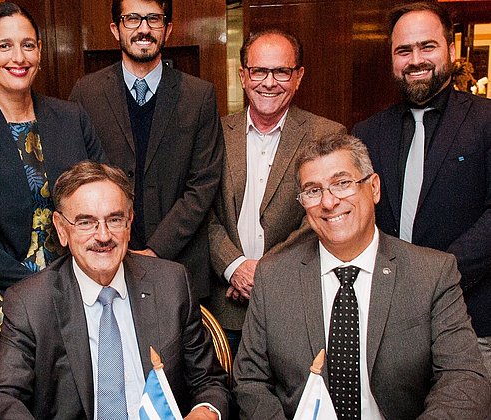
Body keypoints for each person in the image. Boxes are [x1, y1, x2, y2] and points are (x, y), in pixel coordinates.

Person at [233, 133, 490, 419]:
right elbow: (250, 382)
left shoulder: (431, 273)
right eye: (313, 190)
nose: (329, 202)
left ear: (374, 187)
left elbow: (464, 379)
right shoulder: (273, 278)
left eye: (342, 184)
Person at [0, 161, 229, 419]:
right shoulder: (31, 302)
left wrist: (204, 413)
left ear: (129, 223)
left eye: (114, 219)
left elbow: (210, 383)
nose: (103, 236)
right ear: (61, 229)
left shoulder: (171, 284)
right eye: (85, 222)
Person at [0, 2, 106, 389]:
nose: (19, 58)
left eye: (28, 45)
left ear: (40, 51)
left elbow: (104, 194)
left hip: (84, 285)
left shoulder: (72, 117)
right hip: (5, 297)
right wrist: (41, 286)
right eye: (4, 46)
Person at [352, 2, 491, 374]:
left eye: (427, 46)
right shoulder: (367, 133)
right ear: (392, 59)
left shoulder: (486, 120)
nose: (416, 60)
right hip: (387, 325)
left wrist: (436, 280)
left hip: (472, 320)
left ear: (451, 49)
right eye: (404, 50)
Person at [69, 0, 223, 300]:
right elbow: (79, 181)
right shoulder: (86, 93)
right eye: (132, 19)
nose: (143, 29)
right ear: (116, 29)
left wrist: (156, 249)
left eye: (154, 19)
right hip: (105, 261)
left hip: (179, 263)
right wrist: (114, 242)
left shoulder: (199, 96)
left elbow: (203, 185)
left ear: (168, 29)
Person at [207, 30, 345, 356]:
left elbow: (324, 215)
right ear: (243, 76)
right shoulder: (214, 134)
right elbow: (201, 211)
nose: (269, 82)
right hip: (227, 304)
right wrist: (234, 266)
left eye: (281, 71)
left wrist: (264, 274)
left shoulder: (326, 135)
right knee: (224, 399)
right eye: (258, 71)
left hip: (294, 303)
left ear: (298, 77)